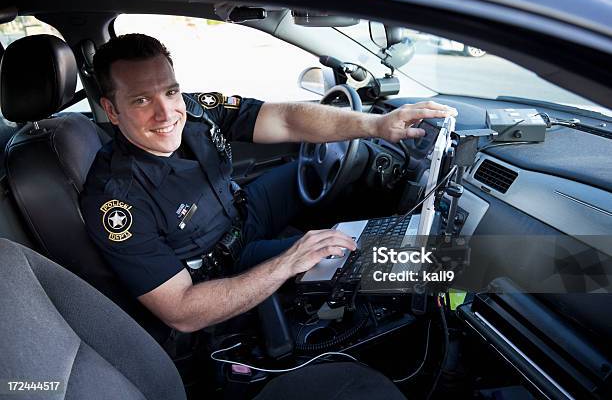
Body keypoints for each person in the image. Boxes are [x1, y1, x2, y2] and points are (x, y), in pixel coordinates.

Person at [80, 34, 456, 334]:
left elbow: (287, 120)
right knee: (357, 254)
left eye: (171, 91)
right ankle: (470, 273)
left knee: (315, 169)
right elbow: (181, 311)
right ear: (112, 110)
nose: (166, 113)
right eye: (142, 100)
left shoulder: (194, 110)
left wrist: (375, 125)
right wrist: (288, 262)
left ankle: (417, 238)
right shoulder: (115, 201)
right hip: (223, 270)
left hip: (244, 213)